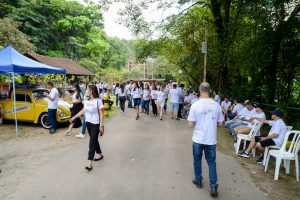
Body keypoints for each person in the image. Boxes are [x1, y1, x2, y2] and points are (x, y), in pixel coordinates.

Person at [188, 82, 224, 198]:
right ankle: (213, 186)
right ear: (210, 91)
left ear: (200, 90)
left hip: (198, 138)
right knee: (212, 163)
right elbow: (220, 123)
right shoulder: (217, 105)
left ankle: (198, 181)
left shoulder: (195, 104)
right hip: (211, 139)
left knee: (197, 160)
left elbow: (190, 124)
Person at [70, 84, 104, 171]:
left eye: (87, 89)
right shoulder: (87, 101)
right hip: (88, 123)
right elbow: (83, 111)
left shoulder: (98, 101)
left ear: (91, 91)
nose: (86, 91)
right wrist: (74, 117)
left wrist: (101, 125)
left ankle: (89, 164)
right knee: (94, 140)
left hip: (95, 124)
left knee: (92, 143)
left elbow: (101, 113)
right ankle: (100, 154)